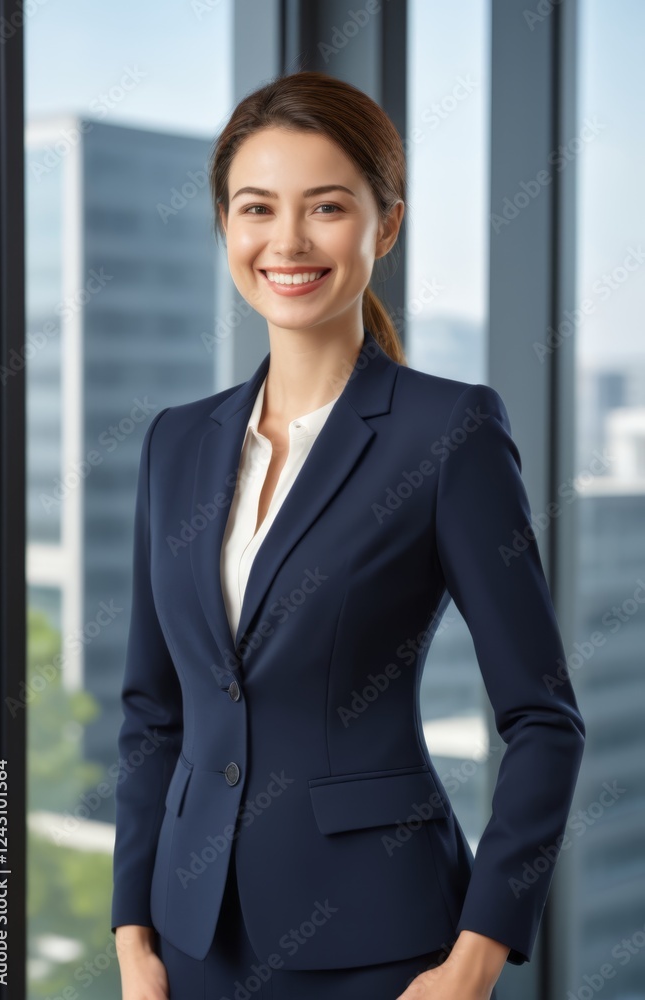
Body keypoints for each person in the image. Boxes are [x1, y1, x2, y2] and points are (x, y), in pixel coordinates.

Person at [111, 71, 585, 1000]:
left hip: (381, 946)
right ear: (224, 227)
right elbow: (151, 716)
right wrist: (133, 936)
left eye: (325, 207)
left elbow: (543, 722)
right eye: (256, 209)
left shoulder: (448, 434)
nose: (286, 242)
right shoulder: (175, 441)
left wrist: (474, 960)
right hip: (188, 942)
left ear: (386, 225)